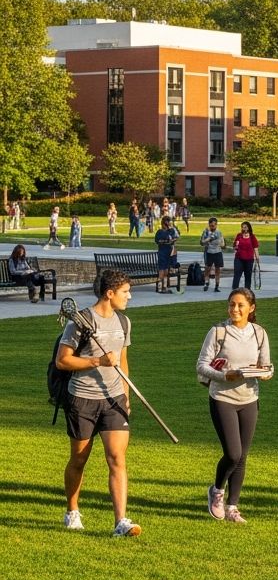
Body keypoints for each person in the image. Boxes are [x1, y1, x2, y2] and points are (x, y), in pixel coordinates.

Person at [57, 268, 141, 537]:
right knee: (79, 460)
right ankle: (72, 510)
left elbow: (124, 362)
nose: (129, 296)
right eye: (125, 292)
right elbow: (63, 361)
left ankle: (121, 521)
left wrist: (126, 396)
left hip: (113, 398)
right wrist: (97, 361)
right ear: (110, 293)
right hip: (82, 397)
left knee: (117, 458)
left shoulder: (124, 323)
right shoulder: (80, 322)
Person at [197, 288, 274, 523]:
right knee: (233, 453)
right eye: (232, 304)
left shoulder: (260, 334)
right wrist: (225, 375)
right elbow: (201, 366)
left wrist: (264, 373)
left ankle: (232, 506)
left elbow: (268, 366)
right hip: (223, 399)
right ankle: (217, 491)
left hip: (249, 399)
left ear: (251, 308)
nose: (235, 309)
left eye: (240, 305)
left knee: (242, 457)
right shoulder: (218, 331)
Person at [154, 215, 179, 294]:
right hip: (162, 252)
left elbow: (176, 237)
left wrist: (172, 240)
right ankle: (160, 287)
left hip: (169, 252)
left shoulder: (171, 231)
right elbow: (158, 241)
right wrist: (165, 241)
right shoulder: (159, 232)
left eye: (168, 223)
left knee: (167, 270)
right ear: (163, 223)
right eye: (166, 223)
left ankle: (165, 287)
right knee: (162, 269)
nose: (167, 225)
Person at [232, 221, 260, 290]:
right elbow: (234, 247)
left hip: (249, 259)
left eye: (245, 227)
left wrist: (257, 258)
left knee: (248, 275)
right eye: (242, 227)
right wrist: (235, 246)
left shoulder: (252, 237)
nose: (243, 228)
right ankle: (235, 289)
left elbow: (255, 248)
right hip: (239, 258)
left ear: (248, 228)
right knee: (237, 275)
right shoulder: (239, 235)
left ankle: (247, 290)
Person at [200, 216, 226, 292]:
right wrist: (205, 241)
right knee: (207, 268)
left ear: (216, 225)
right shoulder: (206, 232)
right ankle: (206, 283)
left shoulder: (219, 232)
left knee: (217, 269)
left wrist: (223, 245)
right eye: (211, 226)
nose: (212, 227)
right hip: (209, 252)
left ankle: (217, 285)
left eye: (213, 226)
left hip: (217, 252)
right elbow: (201, 242)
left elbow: (223, 243)